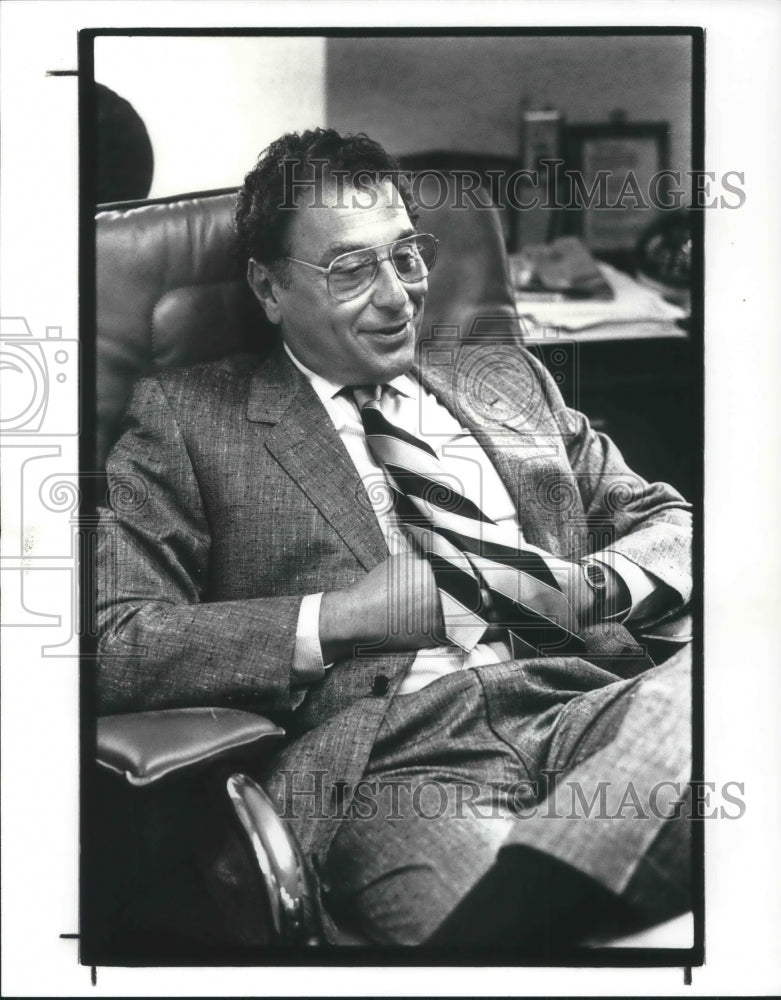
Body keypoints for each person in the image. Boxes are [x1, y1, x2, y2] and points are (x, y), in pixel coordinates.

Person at [96, 128, 693, 950]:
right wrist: (337, 617)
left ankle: (513, 938)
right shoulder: (190, 420)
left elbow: (672, 524)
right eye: (350, 269)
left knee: (730, 685)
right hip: (402, 765)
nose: (397, 296)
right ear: (269, 288)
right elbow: (114, 641)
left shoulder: (506, 379)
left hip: (592, 706)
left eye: (406, 256)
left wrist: (589, 588)